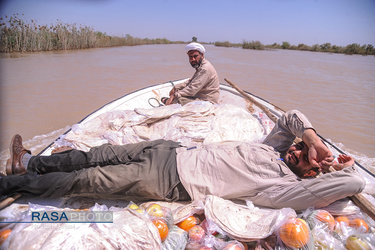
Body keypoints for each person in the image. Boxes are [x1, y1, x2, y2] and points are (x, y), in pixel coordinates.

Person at [1, 110, 365, 211]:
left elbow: (353, 184)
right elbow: (291, 116)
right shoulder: (275, 149)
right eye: (300, 147)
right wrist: (314, 140)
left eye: (303, 157)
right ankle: (30, 164)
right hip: (170, 149)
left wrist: (335, 168)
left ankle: (9, 184)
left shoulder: (282, 188)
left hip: (170, 180)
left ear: (312, 174)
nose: (296, 150)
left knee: (88, 180)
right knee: (96, 154)